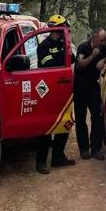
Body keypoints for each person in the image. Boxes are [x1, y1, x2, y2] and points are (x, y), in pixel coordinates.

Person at [35, 14, 76, 174]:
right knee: (46, 126)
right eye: (63, 29)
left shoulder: (63, 43)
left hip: (63, 89)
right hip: (47, 89)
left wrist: (67, 45)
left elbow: (71, 58)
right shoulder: (44, 46)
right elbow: (49, 64)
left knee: (65, 123)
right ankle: (41, 161)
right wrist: (62, 55)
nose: (64, 32)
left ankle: (58, 157)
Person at [74, 27, 106, 160]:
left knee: (97, 116)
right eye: (102, 40)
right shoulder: (83, 47)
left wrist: (103, 60)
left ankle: (96, 148)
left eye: (105, 40)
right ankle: (84, 149)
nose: (104, 42)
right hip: (80, 85)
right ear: (94, 37)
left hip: (93, 85)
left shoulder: (104, 49)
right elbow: (79, 65)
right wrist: (93, 56)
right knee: (80, 118)